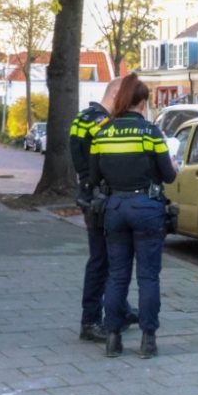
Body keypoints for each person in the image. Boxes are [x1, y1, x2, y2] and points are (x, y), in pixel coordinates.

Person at [90, 73, 177, 358]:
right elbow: (169, 175)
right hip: (146, 208)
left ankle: (113, 339)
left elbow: (93, 177)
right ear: (142, 101)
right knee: (148, 277)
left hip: (114, 209)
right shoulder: (151, 133)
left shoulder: (102, 132)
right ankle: (148, 340)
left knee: (117, 276)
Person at [69, 78, 137, 343]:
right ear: (116, 93)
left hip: (91, 195)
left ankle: (120, 310)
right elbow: (112, 161)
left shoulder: (83, 117)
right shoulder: (103, 123)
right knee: (102, 261)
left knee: (108, 259)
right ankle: (91, 321)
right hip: (102, 197)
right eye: (128, 97)